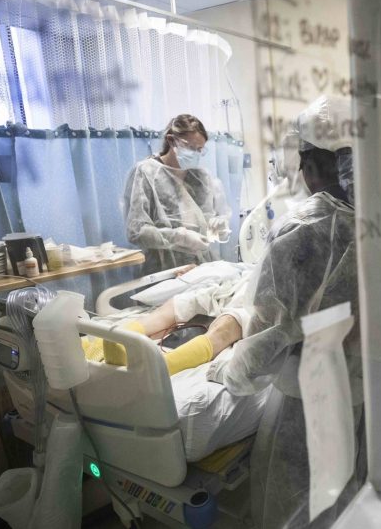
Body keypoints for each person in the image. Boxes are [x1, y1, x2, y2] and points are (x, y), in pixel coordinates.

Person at [205, 96, 363, 529]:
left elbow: (262, 347)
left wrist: (226, 371)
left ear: (310, 165)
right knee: (345, 507)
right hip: (359, 397)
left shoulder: (301, 231)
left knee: (294, 512)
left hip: (303, 410)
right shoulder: (379, 223)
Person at [124, 114, 232, 274]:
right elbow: (137, 231)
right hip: (164, 270)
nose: (195, 154)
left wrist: (218, 226)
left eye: (199, 149)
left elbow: (209, 222)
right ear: (171, 140)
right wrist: (179, 237)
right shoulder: (147, 173)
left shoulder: (200, 177)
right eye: (190, 147)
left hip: (202, 267)